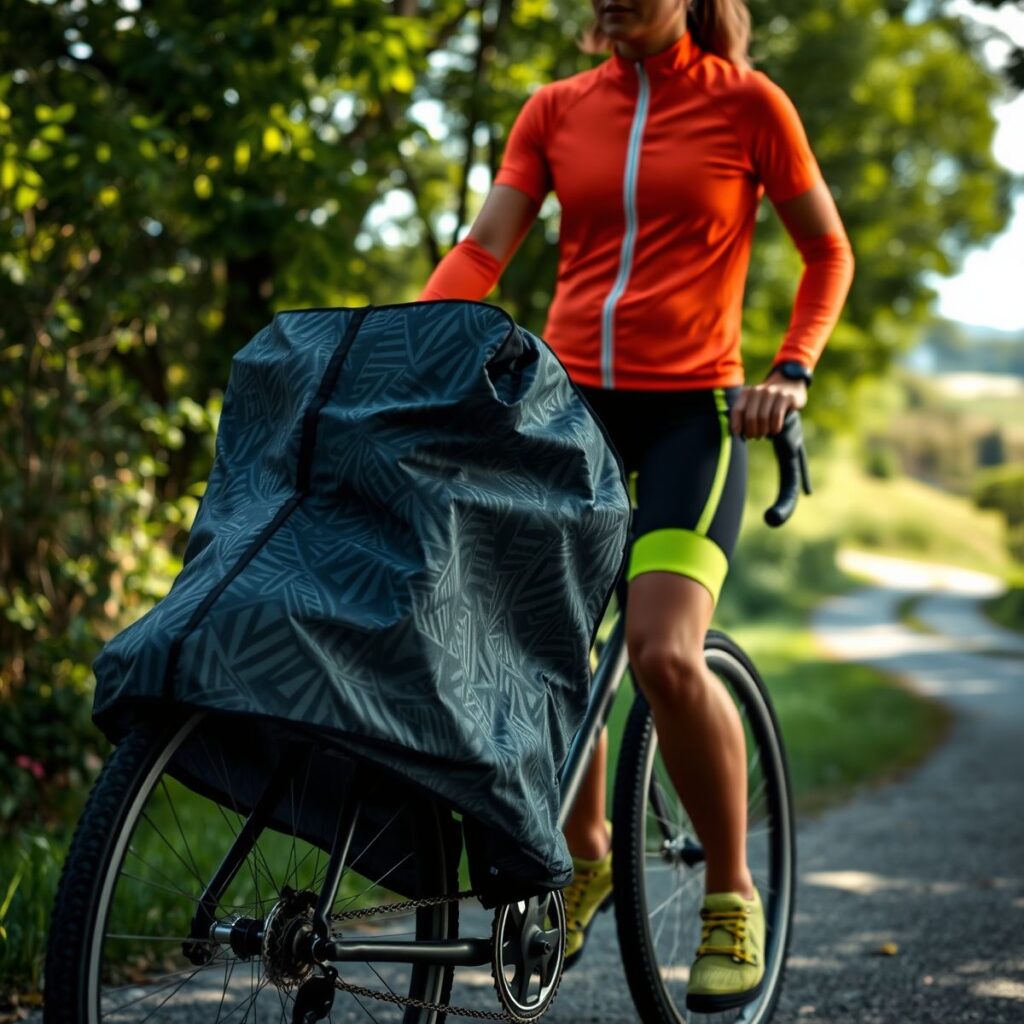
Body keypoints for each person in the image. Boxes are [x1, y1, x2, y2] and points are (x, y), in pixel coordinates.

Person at [419, 0, 853, 1010]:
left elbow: (827, 251)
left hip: (696, 419)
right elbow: (485, 248)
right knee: (539, 646)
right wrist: (412, 344)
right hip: (571, 412)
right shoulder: (555, 108)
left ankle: (731, 893)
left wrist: (791, 370)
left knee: (661, 652)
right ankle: (587, 852)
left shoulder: (750, 104)